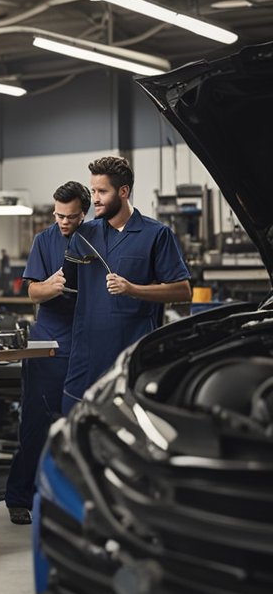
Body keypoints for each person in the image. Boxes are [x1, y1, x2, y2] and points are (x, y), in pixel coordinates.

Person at [62, 156, 191, 416]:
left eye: (102, 191)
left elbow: (182, 290)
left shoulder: (156, 234)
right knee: (76, 433)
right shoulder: (83, 236)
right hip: (86, 359)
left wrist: (132, 289)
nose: (94, 198)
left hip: (131, 358)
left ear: (123, 192)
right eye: (92, 191)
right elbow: (68, 288)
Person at [3, 181, 90, 525]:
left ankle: (73, 499)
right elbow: (32, 292)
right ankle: (20, 497)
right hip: (50, 340)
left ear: (84, 213)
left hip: (88, 340)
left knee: (81, 425)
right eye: (58, 215)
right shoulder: (45, 240)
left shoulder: (99, 237)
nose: (63, 222)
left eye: (70, 217)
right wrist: (50, 287)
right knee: (36, 423)